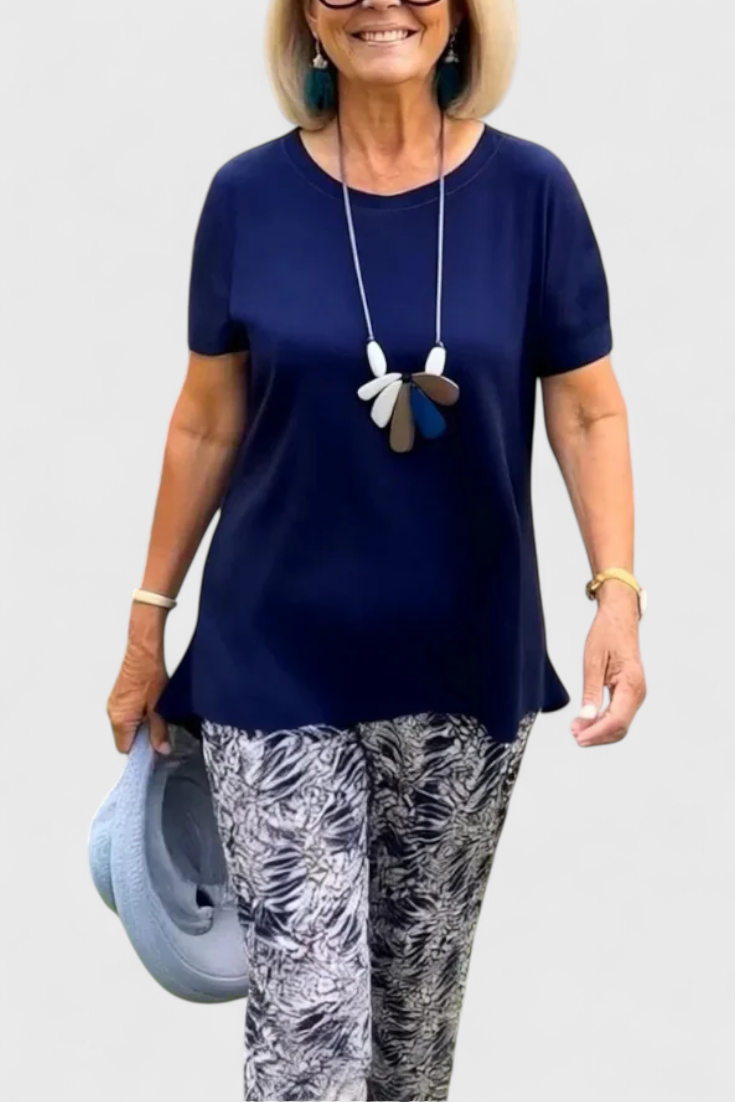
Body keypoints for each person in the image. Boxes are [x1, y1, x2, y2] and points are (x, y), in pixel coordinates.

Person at [106, 0, 647, 1098]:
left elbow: (588, 410)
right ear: (309, 17)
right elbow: (205, 422)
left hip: (462, 669)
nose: (377, 2)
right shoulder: (248, 198)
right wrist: (146, 621)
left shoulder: (531, 194)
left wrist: (618, 594)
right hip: (272, 662)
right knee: (309, 1034)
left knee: (409, 1040)